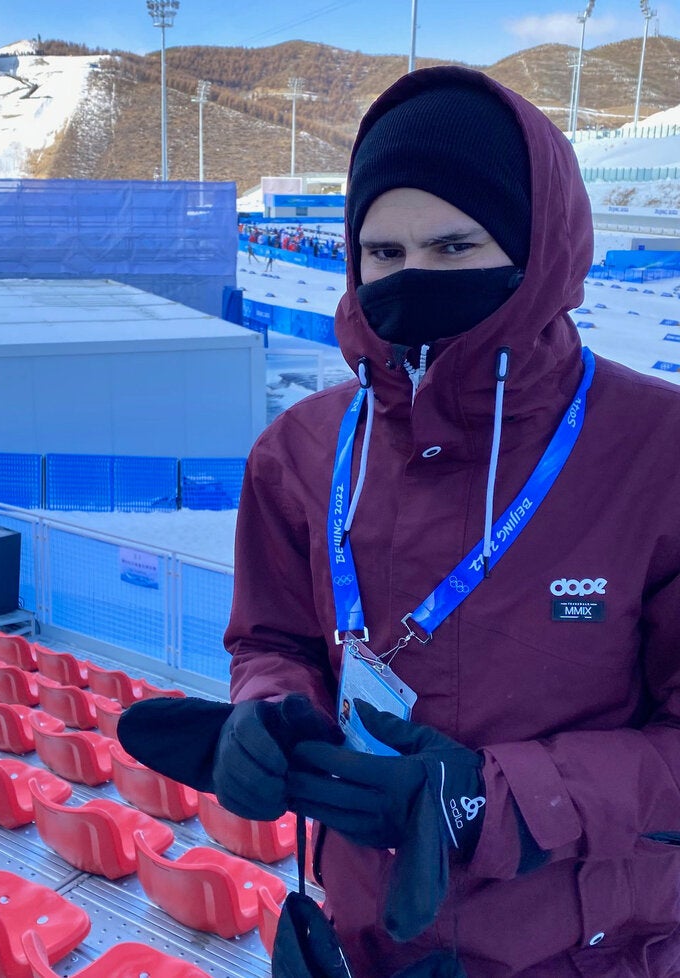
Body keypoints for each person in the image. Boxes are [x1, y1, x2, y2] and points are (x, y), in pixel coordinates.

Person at [119, 65, 680, 977]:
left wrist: (492, 803)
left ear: (539, 251)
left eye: (455, 249)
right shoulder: (300, 449)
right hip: (368, 932)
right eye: (384, 254)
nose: (414, 280)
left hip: (585, 948)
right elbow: (275, 638)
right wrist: (272, 714)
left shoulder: (657, 451)